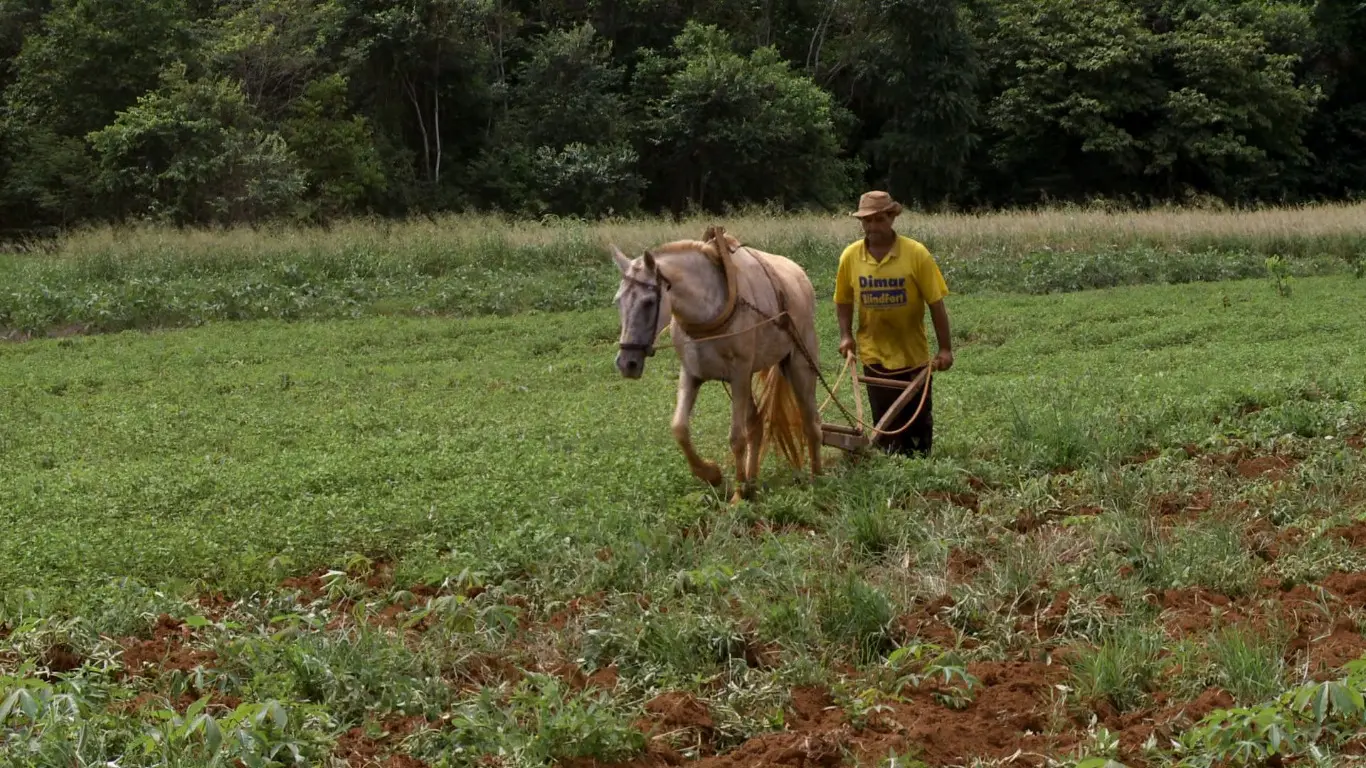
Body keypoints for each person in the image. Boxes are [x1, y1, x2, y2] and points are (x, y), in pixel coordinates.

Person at [833, 190, 953, 457]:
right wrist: (845, 335)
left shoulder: (915, 253)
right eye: (867, 221)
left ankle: (921, 465)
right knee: (884, 418)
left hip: (913, 354)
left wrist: (945, 348)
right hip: (873, 353)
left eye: (879, 220)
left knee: (918, 420)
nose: (873, 227)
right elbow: (843, 300)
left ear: (892, 218)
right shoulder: (850, 256)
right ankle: (891, 463)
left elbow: (936, 303)